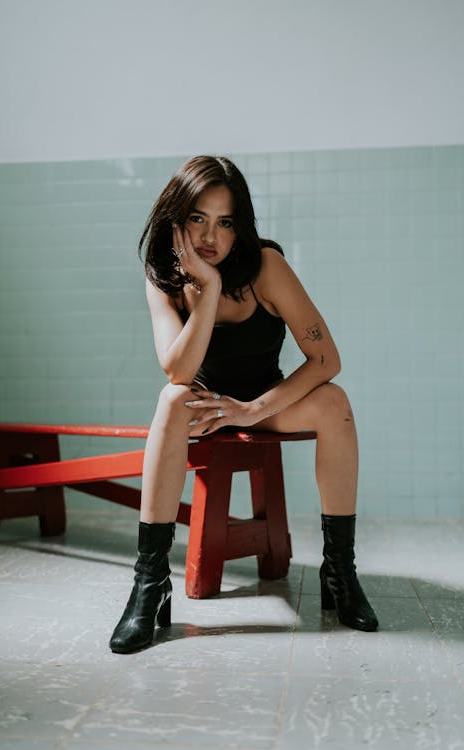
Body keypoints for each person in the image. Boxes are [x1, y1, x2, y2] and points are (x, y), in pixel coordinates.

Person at [109, 155, 378, 653]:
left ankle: (340, 572)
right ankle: (150, 585)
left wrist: (253, 410)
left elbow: (326, 358)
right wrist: (206, 289)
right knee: (170, 399)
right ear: (176, 221)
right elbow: (178, 371)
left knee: (335, 403)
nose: (211, 236)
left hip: (266, 401)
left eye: (225, 222)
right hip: (207, 404)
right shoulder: (163, 278)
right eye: (198, 219)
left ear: (241, 228)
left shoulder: (266, 267)